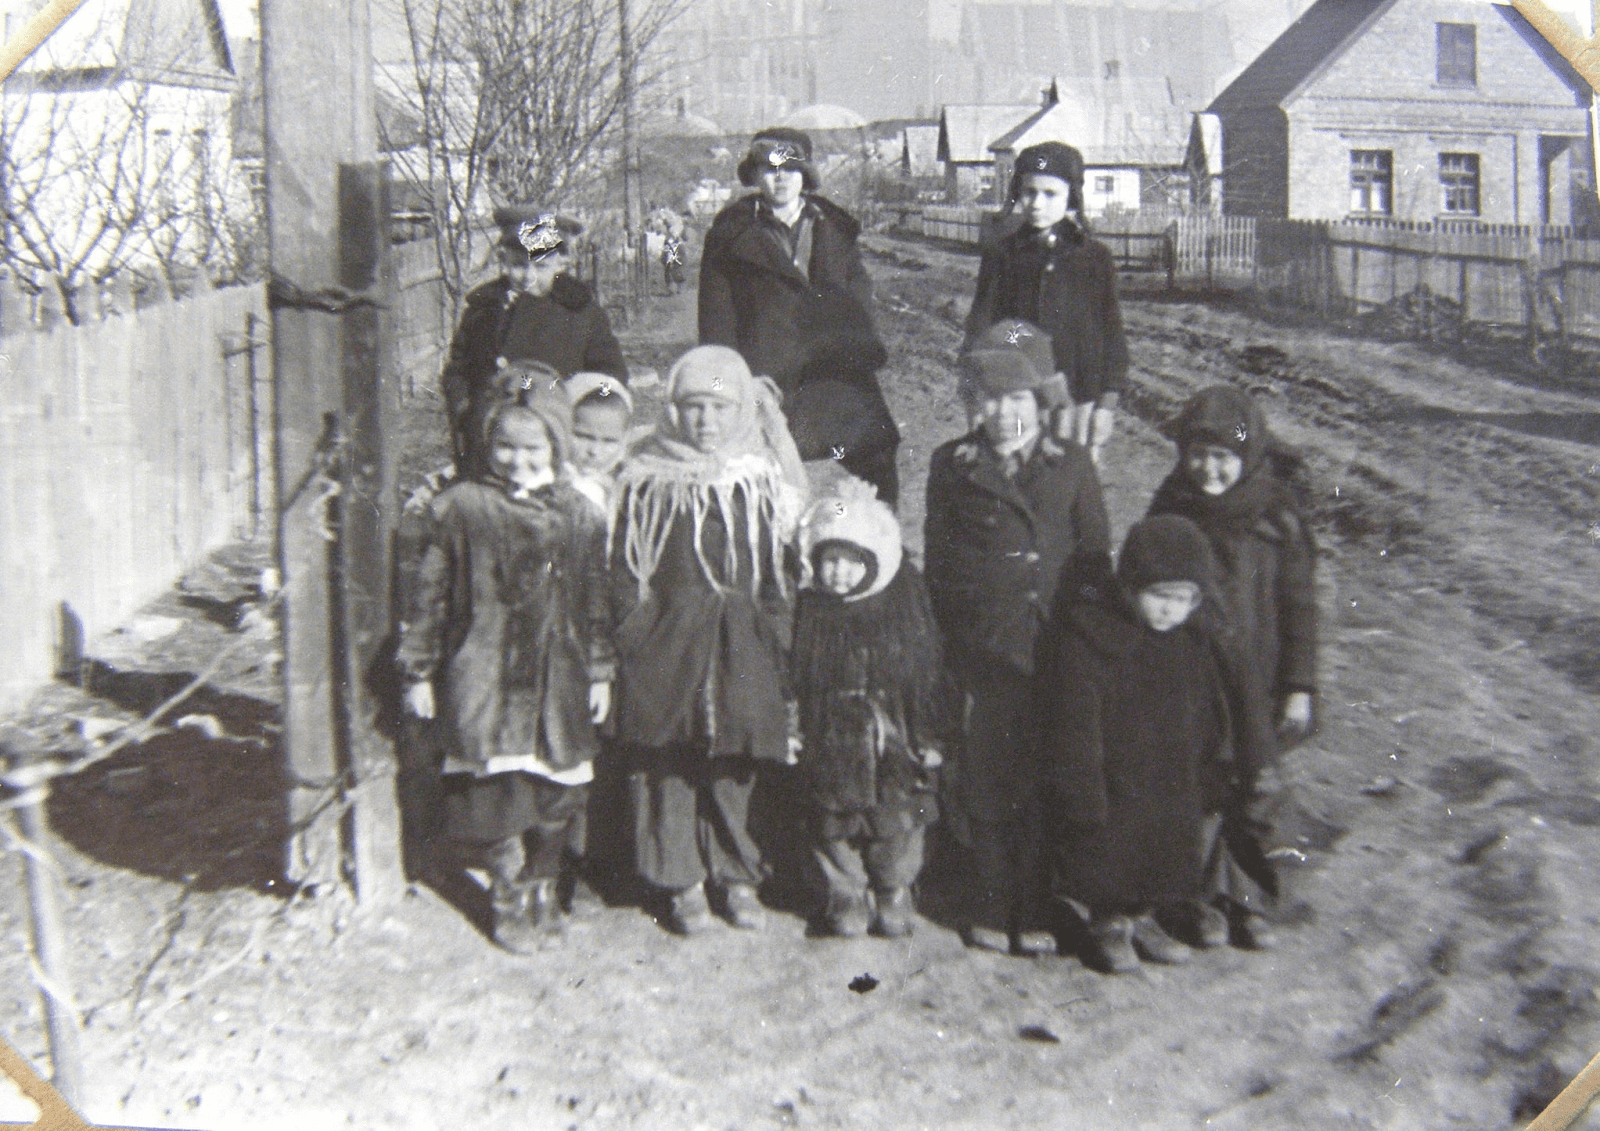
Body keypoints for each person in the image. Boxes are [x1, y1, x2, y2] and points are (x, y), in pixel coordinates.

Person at [397, 388, 614, 954]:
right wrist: (419, 671)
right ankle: (507, 895)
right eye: (504, 447)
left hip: (558, 673)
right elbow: (429, 596)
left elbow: (596, 600)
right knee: (496, 790)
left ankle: (544, 886)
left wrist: (599, 672)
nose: (518, 460)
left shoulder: (581, 514)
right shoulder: (462, 507)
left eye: (532, 448)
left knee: (559, 787)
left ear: (556, 446)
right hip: (486, 671)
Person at [923, 319, 1112, 955]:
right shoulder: (952, 465)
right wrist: (949, 648)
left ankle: (1035, 904)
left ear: (1041, 403)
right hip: (987, 649)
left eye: (1017, 400)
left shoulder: (1071, 464)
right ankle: (991, 896)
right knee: (988, 774)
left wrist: (1087, 644)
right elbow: (941, 563)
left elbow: (1094, 558)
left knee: (1044, 773)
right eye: (988, 400)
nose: (1003, 414)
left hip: (1052, 648)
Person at [608, 345, 808, 935]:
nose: (706, 421)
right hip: (665, 643)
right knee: (667, 763)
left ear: (741, 410)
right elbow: (623, 566)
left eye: (720, 408)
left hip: (741, 643)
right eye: (693, 407)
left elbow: (779, 571)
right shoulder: (646, 478)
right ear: (673, 410)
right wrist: (634, 631)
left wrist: (777, 636)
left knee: (735, 763)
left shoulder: (759, 480)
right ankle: (680, 882)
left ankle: (737, 874)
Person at [1146, 384, 1318, 948]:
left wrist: (1298, 686)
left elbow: (1299, 607)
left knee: (1258, 788)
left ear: (1249, 455)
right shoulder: (1172, 507)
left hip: (1259, 679)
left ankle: (1254, 899)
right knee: (1199, 788)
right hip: (1195, 676)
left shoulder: (1277, 518)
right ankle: (1199, 902)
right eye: (1198, 454)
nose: (1209, 469)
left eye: (1223, 457)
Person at [1035, 516, 1239, 973]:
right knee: (1112, 853)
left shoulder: (1189, 643)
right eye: (1159, 596)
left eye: (1182, 600)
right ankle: (1109, 923)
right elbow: (1075, 726)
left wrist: (1206, 767)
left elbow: (1205, 710)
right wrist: (1082, 790)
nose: (1169, 610)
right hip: (1113, 779)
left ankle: (1145, 917)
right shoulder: (1092, 640)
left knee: (1162, 849)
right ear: (1130, 588)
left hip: (1168, 777)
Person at [698, 127, 901, 503]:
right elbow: (716, 319)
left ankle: (875, 536)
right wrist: (732, 381)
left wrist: (859, 348)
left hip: (835, 370)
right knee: (766, 478)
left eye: (790, 169)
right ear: (755, 174)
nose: (781, 178)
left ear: (805, 174)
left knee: (876, 455)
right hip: (767, 378)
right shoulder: (730, 235)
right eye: (770, 169)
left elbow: (860, 295)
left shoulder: (834, 227)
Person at [791, 475, 948, 938]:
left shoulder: (902, 609)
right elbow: (790, 677)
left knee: (899, 819)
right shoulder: (809, 611)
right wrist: (792, 727)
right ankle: (844, 890)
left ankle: (894, 887)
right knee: (829, 820)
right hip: (829, 737)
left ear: (873, 561)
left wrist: (930, 736)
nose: (838, 572)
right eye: (829, 560)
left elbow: (928, 676)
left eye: (851, 561)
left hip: (893, 736)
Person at [965, 142, 1129, 465]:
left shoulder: (1094, 258)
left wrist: (1107, 405)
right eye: (1029, 192)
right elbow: (980, 327)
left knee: (1069, 479)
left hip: (1077, 404)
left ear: (1072, 196)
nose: (1037, 203)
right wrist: (974, 396)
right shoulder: (1003, 255)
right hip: (1019, 402)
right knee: (1017, 476)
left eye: (1050, 194)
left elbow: (1112, 333)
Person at [441, 207, 627, 477]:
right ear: (504, 260)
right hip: (488, 438)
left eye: (541, 266)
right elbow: (458, 367)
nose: (528, 276)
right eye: (519, 265)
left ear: (562, 262)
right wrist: (464, 407)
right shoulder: (483, 309)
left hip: (552, 442)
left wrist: (582, 419)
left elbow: (608, 375)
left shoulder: (579, 312)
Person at [563, 371, 637, 517]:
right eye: (584, 436)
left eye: (609, 441)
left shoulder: (630, 484)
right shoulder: (548, 480)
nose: (595, 451)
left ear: (625, 439)